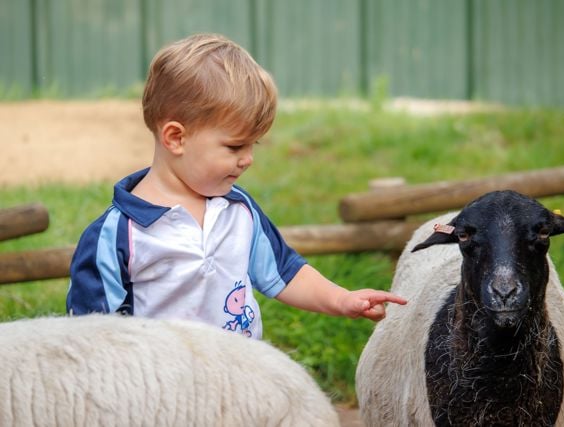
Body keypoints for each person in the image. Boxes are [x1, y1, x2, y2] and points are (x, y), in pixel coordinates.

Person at [66, 33, 406, 339]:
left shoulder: (237, 209)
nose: (248, 160)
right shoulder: (117, 235)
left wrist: (342, 299)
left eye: (252, 146)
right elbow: (91, 337)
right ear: (176, 137)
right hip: (162, 398)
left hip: (242, 382)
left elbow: (285, 272)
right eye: (234, 147)